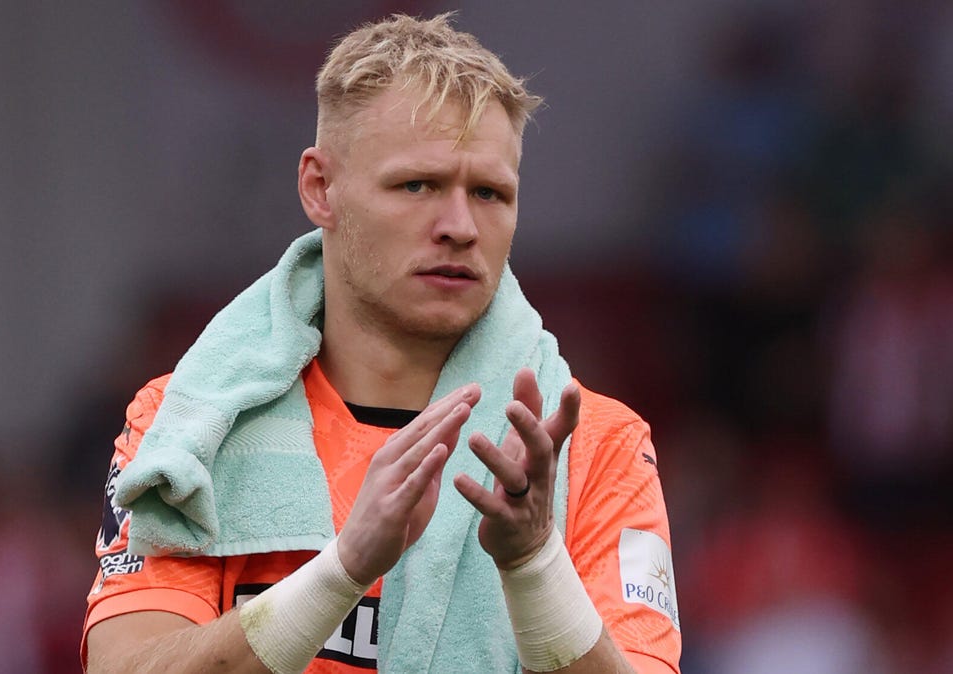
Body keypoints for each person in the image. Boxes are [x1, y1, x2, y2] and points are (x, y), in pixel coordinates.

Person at [83, 13, 680, 674]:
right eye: (416, 185)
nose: (459, 226)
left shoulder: (598, 445)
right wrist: (343, 571)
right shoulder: (187, 423)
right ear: (320, 188)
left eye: (489, 193)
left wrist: (535, 562)